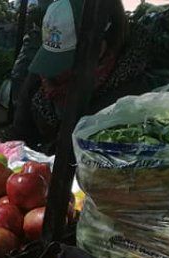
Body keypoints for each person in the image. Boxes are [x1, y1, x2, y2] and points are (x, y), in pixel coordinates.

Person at [10, 0, 152, 151]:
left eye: (66, 61)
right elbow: (20, 131)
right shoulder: (42, 75)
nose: (55, 74)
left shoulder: (128, 98)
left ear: (101, 46)